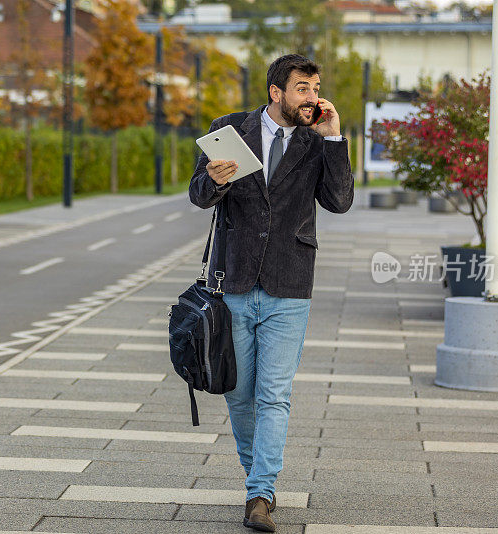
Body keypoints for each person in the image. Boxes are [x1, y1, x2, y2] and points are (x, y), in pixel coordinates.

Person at [188, 54, 354, 532]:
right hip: (234, 281)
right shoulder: (229, 130)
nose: (313, 97)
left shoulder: (316, 139)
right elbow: (199, 195)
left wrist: (335, 141)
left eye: (316, 87)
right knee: (239, 394)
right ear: (276, 93)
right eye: (303, 88)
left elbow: (339, 202)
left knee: (274, 395)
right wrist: (214, 181)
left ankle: (259, 493)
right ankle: (258, 480)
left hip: (289, 282)